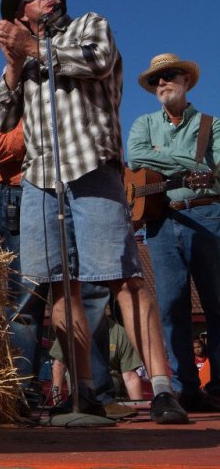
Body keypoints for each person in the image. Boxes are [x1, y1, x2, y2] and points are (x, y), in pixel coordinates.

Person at [0, 0, 187, 424]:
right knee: (59, 283)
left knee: (123, 276)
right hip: (40, 180)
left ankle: (161, 388)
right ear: (21, 14)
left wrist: (34, 47)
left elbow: (96, 60)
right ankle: (86, 391)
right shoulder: (23, 59)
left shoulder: (89, 25)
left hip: (92, 167)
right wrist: (16, 63)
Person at [0, 90, 122, 416]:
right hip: (20, 194)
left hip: (72, 192)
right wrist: (39, 130)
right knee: (26, 298)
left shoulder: (65, 89)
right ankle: (24, 396)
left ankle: (96, 394)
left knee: (87, 291)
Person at [127, 52, 220, 412]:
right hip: (161, 221)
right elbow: (135, 157)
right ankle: (188, 389)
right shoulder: (142, 125)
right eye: (156, 80)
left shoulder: (213, 125)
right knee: (171, 308)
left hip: (207, 214)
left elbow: (218, 167)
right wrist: (191, 164)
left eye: (169, 76)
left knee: (216, 303)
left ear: (186, 81)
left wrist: (160, 155)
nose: (161, 83)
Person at [50, 315, 145, 401]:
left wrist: (138, 407)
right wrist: (56, 400)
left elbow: (130, 376)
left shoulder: (120, 333)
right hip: (80, 402)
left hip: (115, 401)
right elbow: (59, 366)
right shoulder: (70, 331)